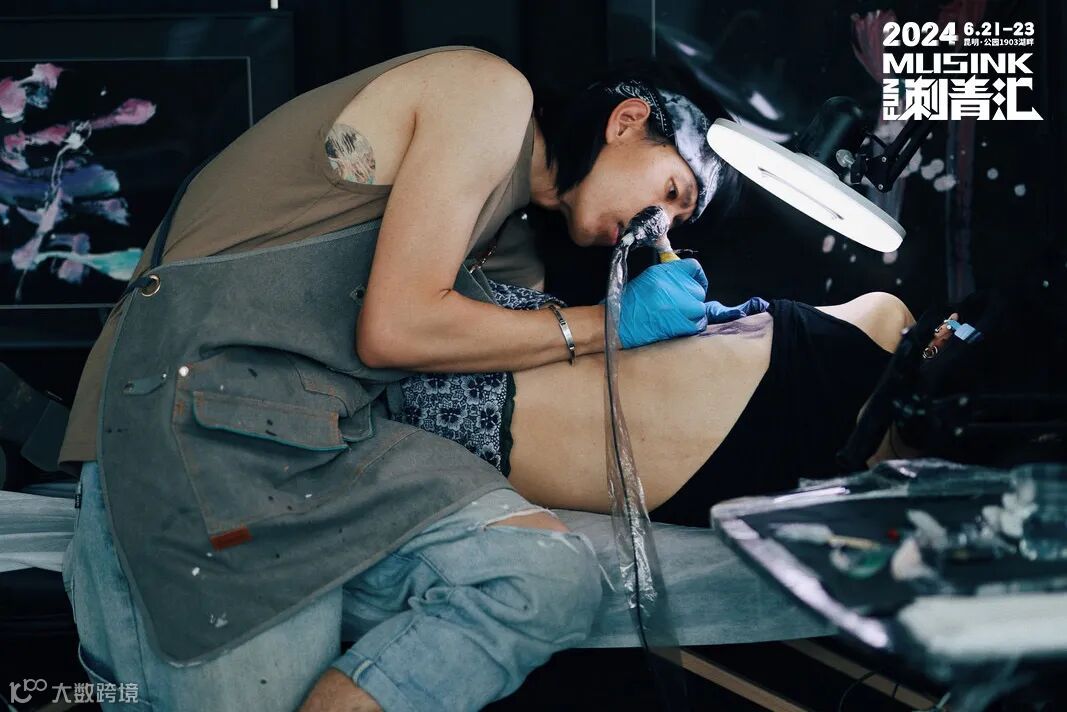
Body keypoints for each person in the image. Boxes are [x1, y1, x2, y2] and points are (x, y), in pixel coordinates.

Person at [58, 45, 752, 712]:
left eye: (678, 220)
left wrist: (684, 345)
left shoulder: (508, 240)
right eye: (671, 192)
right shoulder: (485, 91)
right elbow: (396, 329)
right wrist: (611, 323)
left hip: (328, 438)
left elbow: (499, 358)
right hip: (196, 425)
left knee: (542, 574)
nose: (658, 228)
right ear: (625, 121)